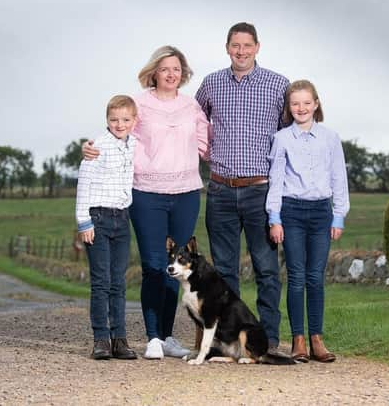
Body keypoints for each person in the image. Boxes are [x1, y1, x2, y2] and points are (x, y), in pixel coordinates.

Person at [83, 46, 209, 360]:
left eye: (177, 69)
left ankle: (168, 336)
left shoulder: (191, 106)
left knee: (176, 268)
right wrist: (93, 147)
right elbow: (118, 131)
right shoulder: (139, 103)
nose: (171, 74)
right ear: (154, 71)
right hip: (146, 194)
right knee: (154, 265)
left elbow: (208, 145)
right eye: (165, 68)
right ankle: (152, 337)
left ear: (184, 73)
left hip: (186, 194)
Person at [195, 22, 289, 353]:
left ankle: (269, 340)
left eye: (247, 45)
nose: (241, 51)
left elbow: (289, 137)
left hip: (259, 190)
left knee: (266, 270)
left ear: (257, 47)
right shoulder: (211, 84)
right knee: (223, 274)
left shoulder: (278, 85)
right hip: (220, 189)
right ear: (227, 47)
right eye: (235, 45)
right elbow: (191, 124)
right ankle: (226, 342)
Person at [266, 80, 350, 363]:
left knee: (316, 278)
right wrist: (274, 218)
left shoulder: (330, 138)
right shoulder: (282, 138)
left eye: (306, 102)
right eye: (295, 103)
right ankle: (298, 340)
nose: (301, 108)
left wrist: (338, 214)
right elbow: (276, 181)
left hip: (321, 213)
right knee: (297, 278)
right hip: (292, 212)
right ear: (289, 108)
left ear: (316, 104)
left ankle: (317, 339)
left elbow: (339, 177)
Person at [75, 94, 138, 360]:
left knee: (119, 283)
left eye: (125, 119)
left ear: (134, 121)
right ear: (107, 120)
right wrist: (84, 222)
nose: (120, 124)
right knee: (101, 283)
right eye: (114, 119)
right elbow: (83, 184)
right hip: (98, 219)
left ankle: (119, 339)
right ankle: (101, 339)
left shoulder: (133, 144)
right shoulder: (97, 147)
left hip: (122, 219)